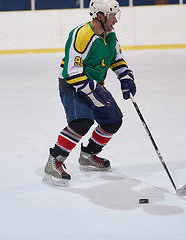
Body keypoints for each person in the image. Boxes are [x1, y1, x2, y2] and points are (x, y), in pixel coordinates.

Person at [43, 0, 136, 187]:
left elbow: (116, 59)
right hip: (72, 84)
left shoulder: (110, 35)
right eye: (112, 17)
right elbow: (72, 71)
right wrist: (92, 93)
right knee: (82, 122)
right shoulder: (82, 35)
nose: (115, 21)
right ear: (100, 16)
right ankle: (54, 162)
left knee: (113, 121)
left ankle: (88, 155)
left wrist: (125, 77)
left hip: (95, 84)